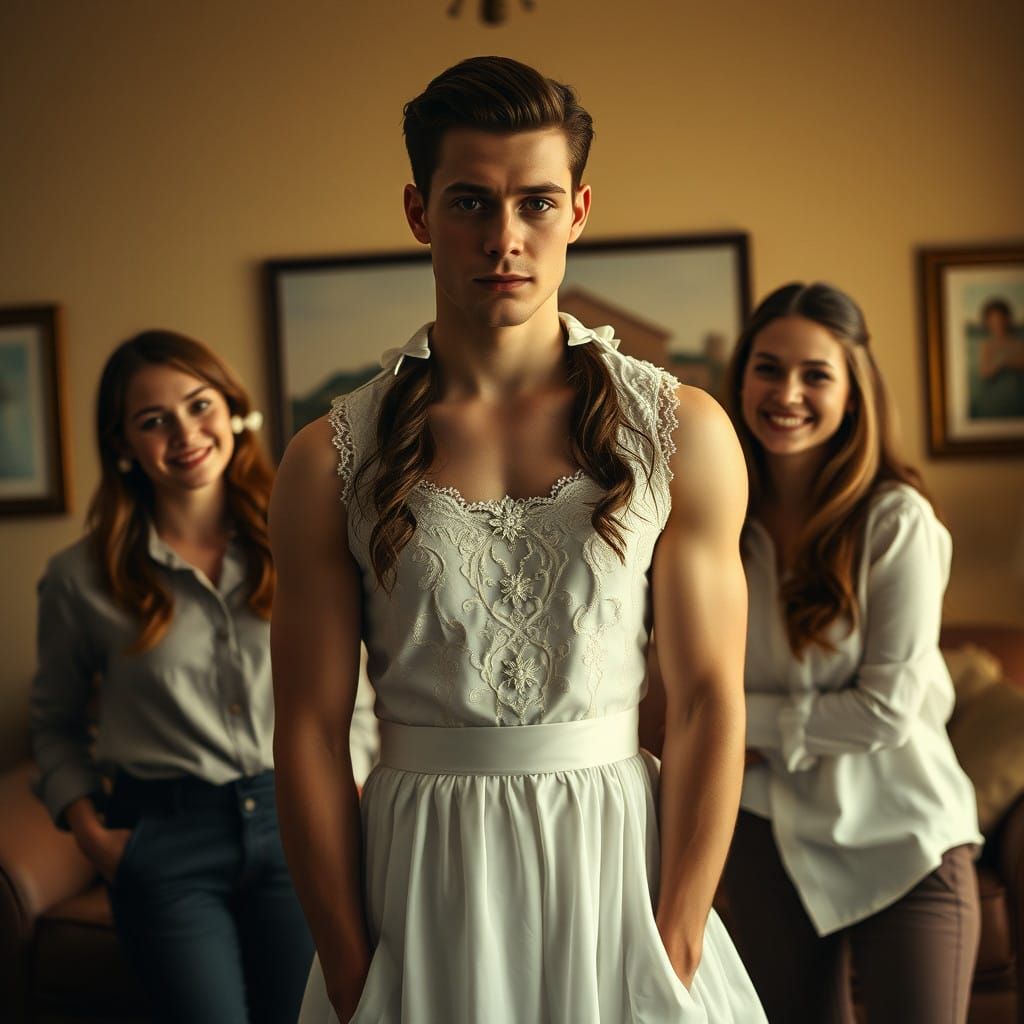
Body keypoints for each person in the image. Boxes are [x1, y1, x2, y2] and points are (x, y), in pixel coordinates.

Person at [270, 56, 767, 1023]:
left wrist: (676, 933)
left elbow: (709, 700)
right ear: (419, 212)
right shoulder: (325, 459)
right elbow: (309, 732)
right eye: (470, 202)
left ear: (578, 210)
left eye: (536, 203)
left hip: (617, 873)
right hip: (421, 880)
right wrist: (345, 961)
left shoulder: (683, 431)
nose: (505, 238)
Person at [30, 330, 315, 1024]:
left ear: (233, 410)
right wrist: (93, 835)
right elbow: (55, 724)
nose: (184, 433)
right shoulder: (80, 577)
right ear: (123, 445)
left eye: (198, 405)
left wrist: (356, 786)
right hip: (163, 837)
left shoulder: (303, 538)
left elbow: (354, 685)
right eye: (152, 420)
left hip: (298, 823)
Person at [717, 282, 983, 1023]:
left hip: (905, 837)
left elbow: (885, 713)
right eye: (768, 368)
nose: (787, 393)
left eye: (816, 375)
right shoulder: (715, 521)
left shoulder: (896, 521)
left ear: (854, 391)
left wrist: (741, 725)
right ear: (741, 377)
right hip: (772, 837)